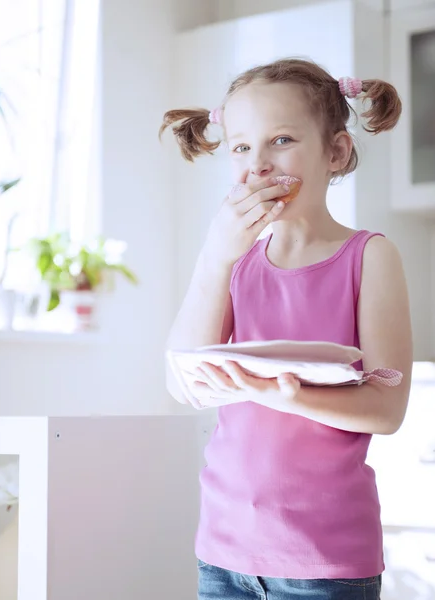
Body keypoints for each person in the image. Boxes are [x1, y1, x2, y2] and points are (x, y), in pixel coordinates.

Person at [160, 58, 413, 600]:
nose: (257, 166)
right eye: (241, 147)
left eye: (280, 140)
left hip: (325, 560)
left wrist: (272, 392)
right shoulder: (234, 265)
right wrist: (214, 258)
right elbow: (183, 381)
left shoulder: (369, 257)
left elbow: (387, 408)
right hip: (223, 554)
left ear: (337, 152)